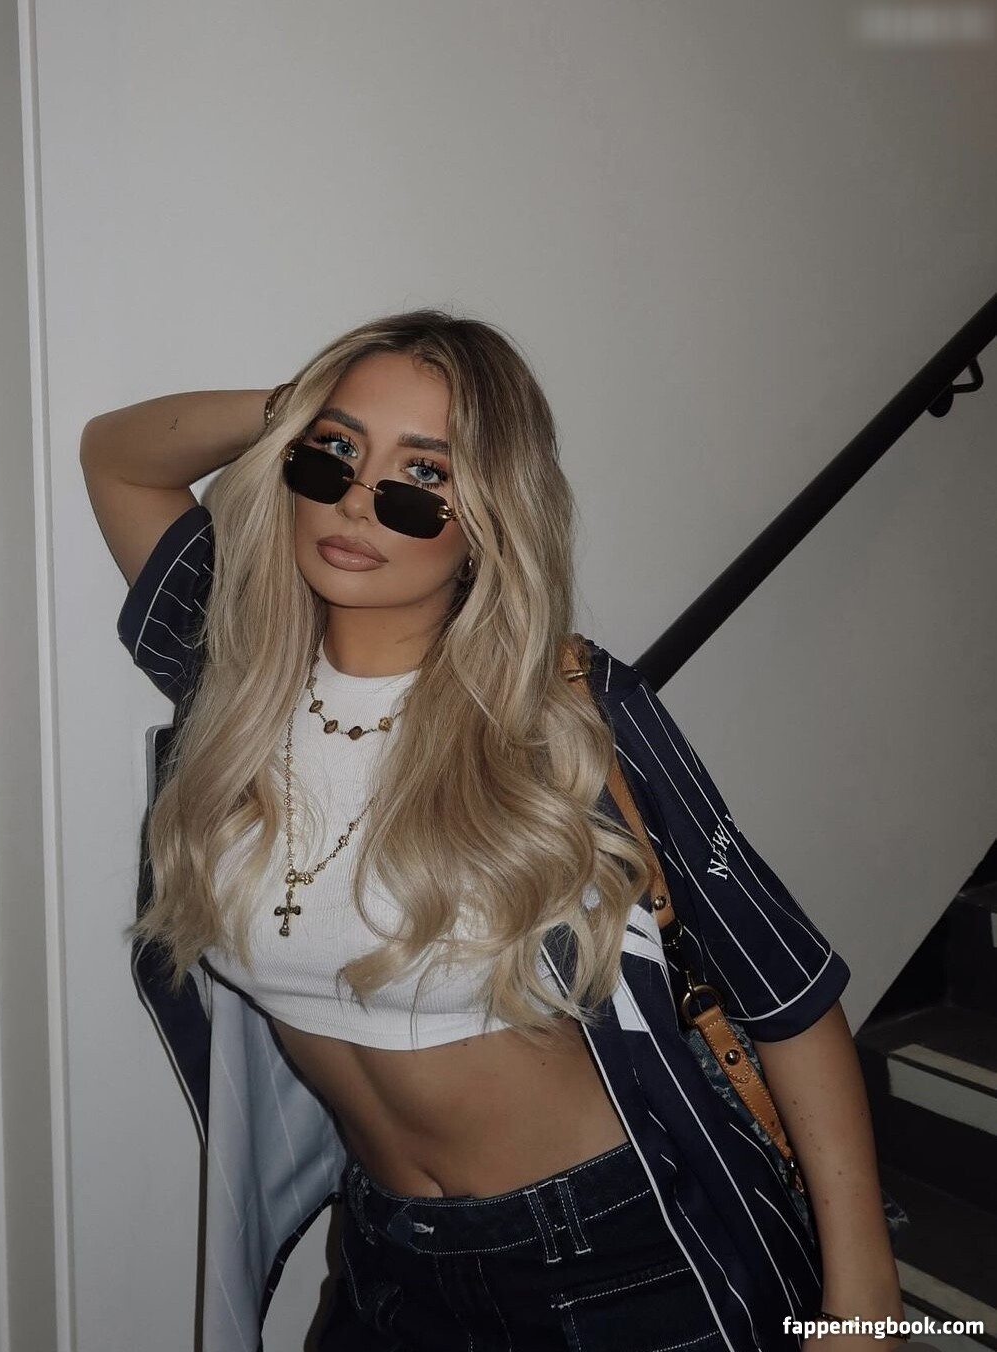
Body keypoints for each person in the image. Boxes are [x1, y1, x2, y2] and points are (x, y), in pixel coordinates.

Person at [81, 310, 908, 1352]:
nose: (358, 501)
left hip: (624, 1252)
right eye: (335, 457)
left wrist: (864, 1299)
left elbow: (786, 993)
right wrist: (304, 407)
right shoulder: (237, 678)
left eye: (422, 477)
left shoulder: (565, 715)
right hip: (386, 1253)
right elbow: (118, 458)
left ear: (489, 517)